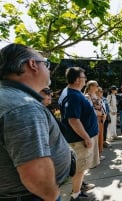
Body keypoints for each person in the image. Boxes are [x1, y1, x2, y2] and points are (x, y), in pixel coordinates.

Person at [0, 43, 71, 200]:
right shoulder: (23, 106)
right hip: (33, 196)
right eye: (46, 63)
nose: (49, 69)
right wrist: (53, 195)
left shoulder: (9, 97)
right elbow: (36, 173)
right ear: (33, 65)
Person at [58, 67, 99, 201]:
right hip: (79, 139)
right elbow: (73, 120)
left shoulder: (72, 91)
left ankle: (81, 185)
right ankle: (76, 195)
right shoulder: (73, 95)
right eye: (83, 78)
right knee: (79, 168)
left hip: (79, 137)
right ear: (76, 80)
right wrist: (86, 137)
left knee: (81, 166)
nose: (85, 80)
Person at [84, 80, 106, 161]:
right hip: (94, 119)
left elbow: (101, 106)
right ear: (91, 87)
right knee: (94, 137)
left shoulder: (96, 96)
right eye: (96, 86)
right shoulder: (87, 96)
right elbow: (90, 110)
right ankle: (93, 158)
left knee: (100, 137)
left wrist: (103, 115)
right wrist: (100, 114)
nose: (97, 87)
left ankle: (98, 155)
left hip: (100, 119)